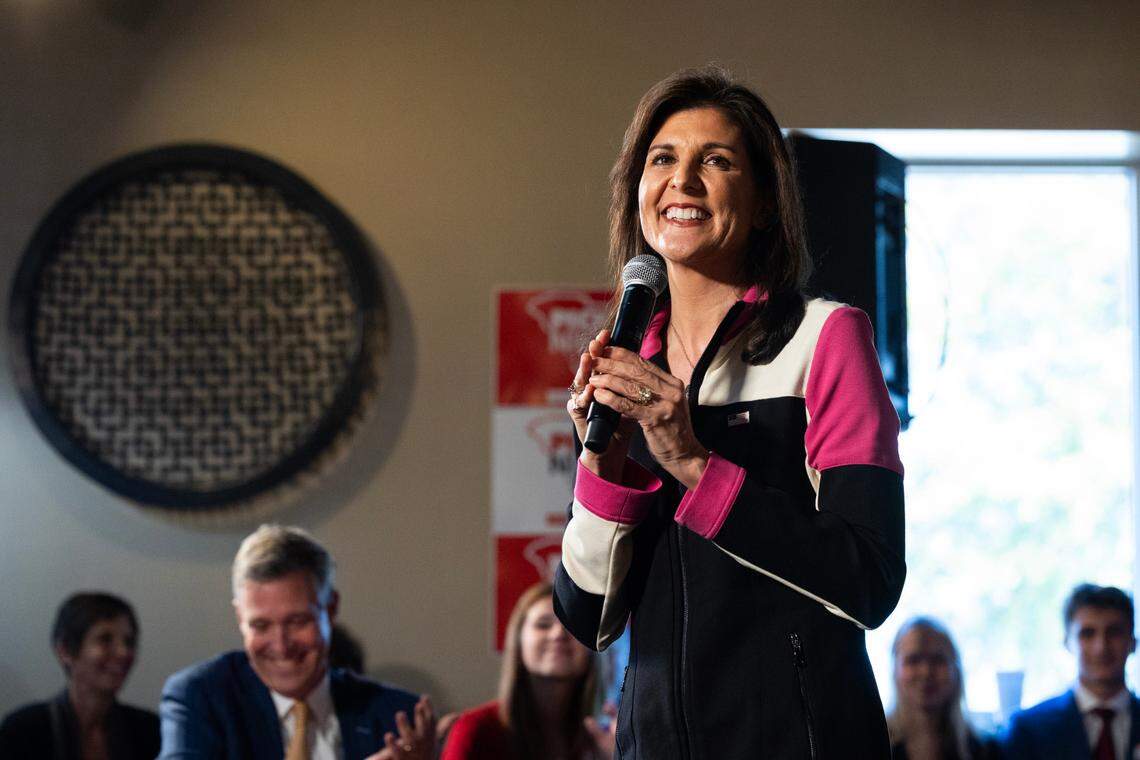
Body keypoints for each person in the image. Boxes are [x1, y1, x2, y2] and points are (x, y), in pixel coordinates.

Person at [554, 65, 906, 757]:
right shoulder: (630, 363)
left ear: (767, 200)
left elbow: (868, 577)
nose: (682, 181)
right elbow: (586, 615)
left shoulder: (825, 338)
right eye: (663, 159)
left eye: (714, 160)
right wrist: (604, 464)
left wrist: (691, 461)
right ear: (638, 190)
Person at [158, 524, 436, 760]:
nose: (281, 645)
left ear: (331, 608)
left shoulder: (396, 718)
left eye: (298, 622)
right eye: (261, 625)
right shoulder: (202, 698)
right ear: (239, 617)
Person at [441, 582, 613, 760]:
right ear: (518, 642)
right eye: (543, 625)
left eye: (573, 626)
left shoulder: (603, 739)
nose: (558, 634)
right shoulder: (475, 728)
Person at [0, 591, 160, 760]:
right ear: (65, 651)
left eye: (129, 642)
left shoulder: (149, 730)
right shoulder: (23, 730)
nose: (123, 652)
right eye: (105, 639)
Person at [1004, 583, 1139, 760]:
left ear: (1133, 643)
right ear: (1067, 643)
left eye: (1114, 632)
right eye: (1087, 634)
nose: (1101, 647)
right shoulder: (1029, 730)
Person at [887, 616, 1000, 760]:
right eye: (913, 660)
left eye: (938, 659)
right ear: (895, 669)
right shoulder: (871, 744)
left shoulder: (986, 750)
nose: (926, 672)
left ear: (956, 671)